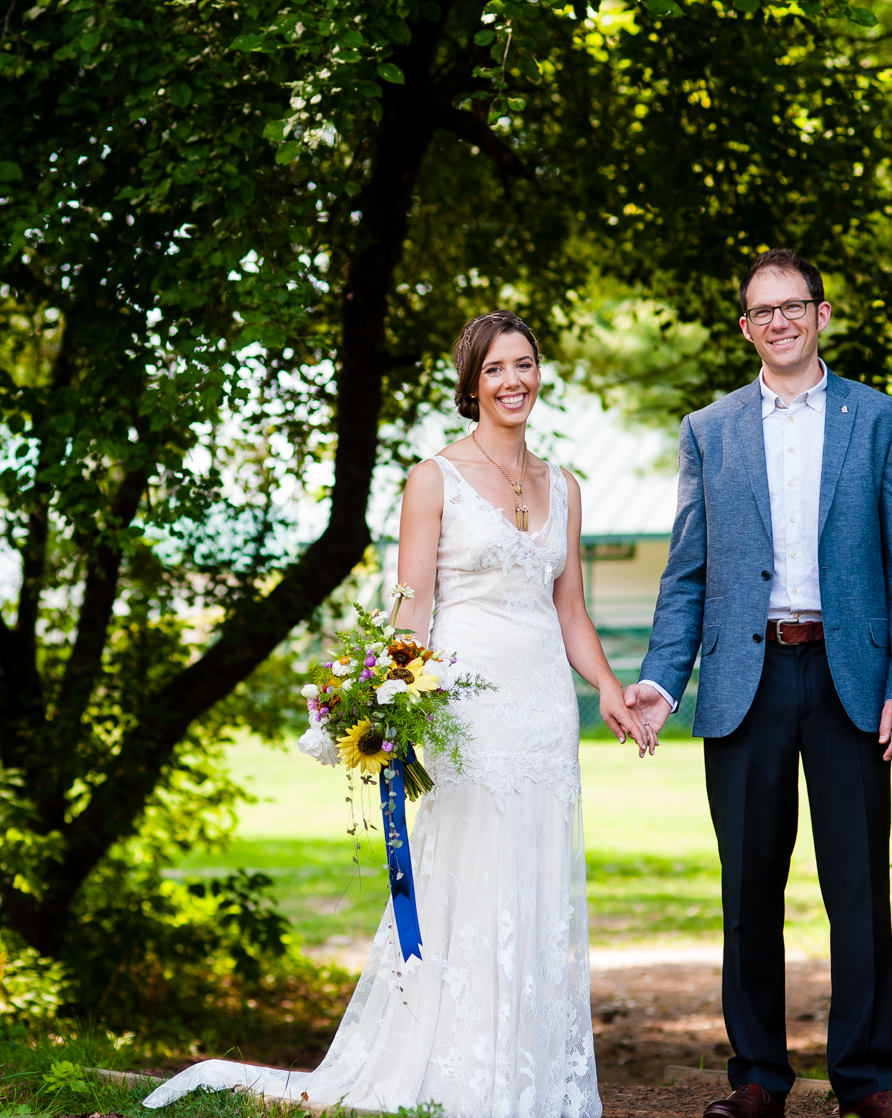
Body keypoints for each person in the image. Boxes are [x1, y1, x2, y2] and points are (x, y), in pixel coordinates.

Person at [144, 310, 647, 1117]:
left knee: (538, 885)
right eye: (495, 370)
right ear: (471, 384)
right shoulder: (434, 477)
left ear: (539, 373)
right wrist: (389, 700)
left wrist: (608, 690)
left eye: (524, 364)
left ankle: (532, 1078)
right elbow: (411, 609)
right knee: (470, 880)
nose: (513, 381)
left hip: (546, 713)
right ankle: (457, 1075)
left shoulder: (566, 486)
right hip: (469, 712)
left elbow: (572, 612)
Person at [624, 250, 892, 1118]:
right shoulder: (709, 429)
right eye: (763, 312)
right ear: (745, 327)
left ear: (823, 314)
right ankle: (759, 1077)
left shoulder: (880, 419)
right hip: (745, 679)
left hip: (851, 681)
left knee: (857, 887)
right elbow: (688, 572)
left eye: (794, 306)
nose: (780, 322)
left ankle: (867, 1081)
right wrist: (660, 676)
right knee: (749, 883)